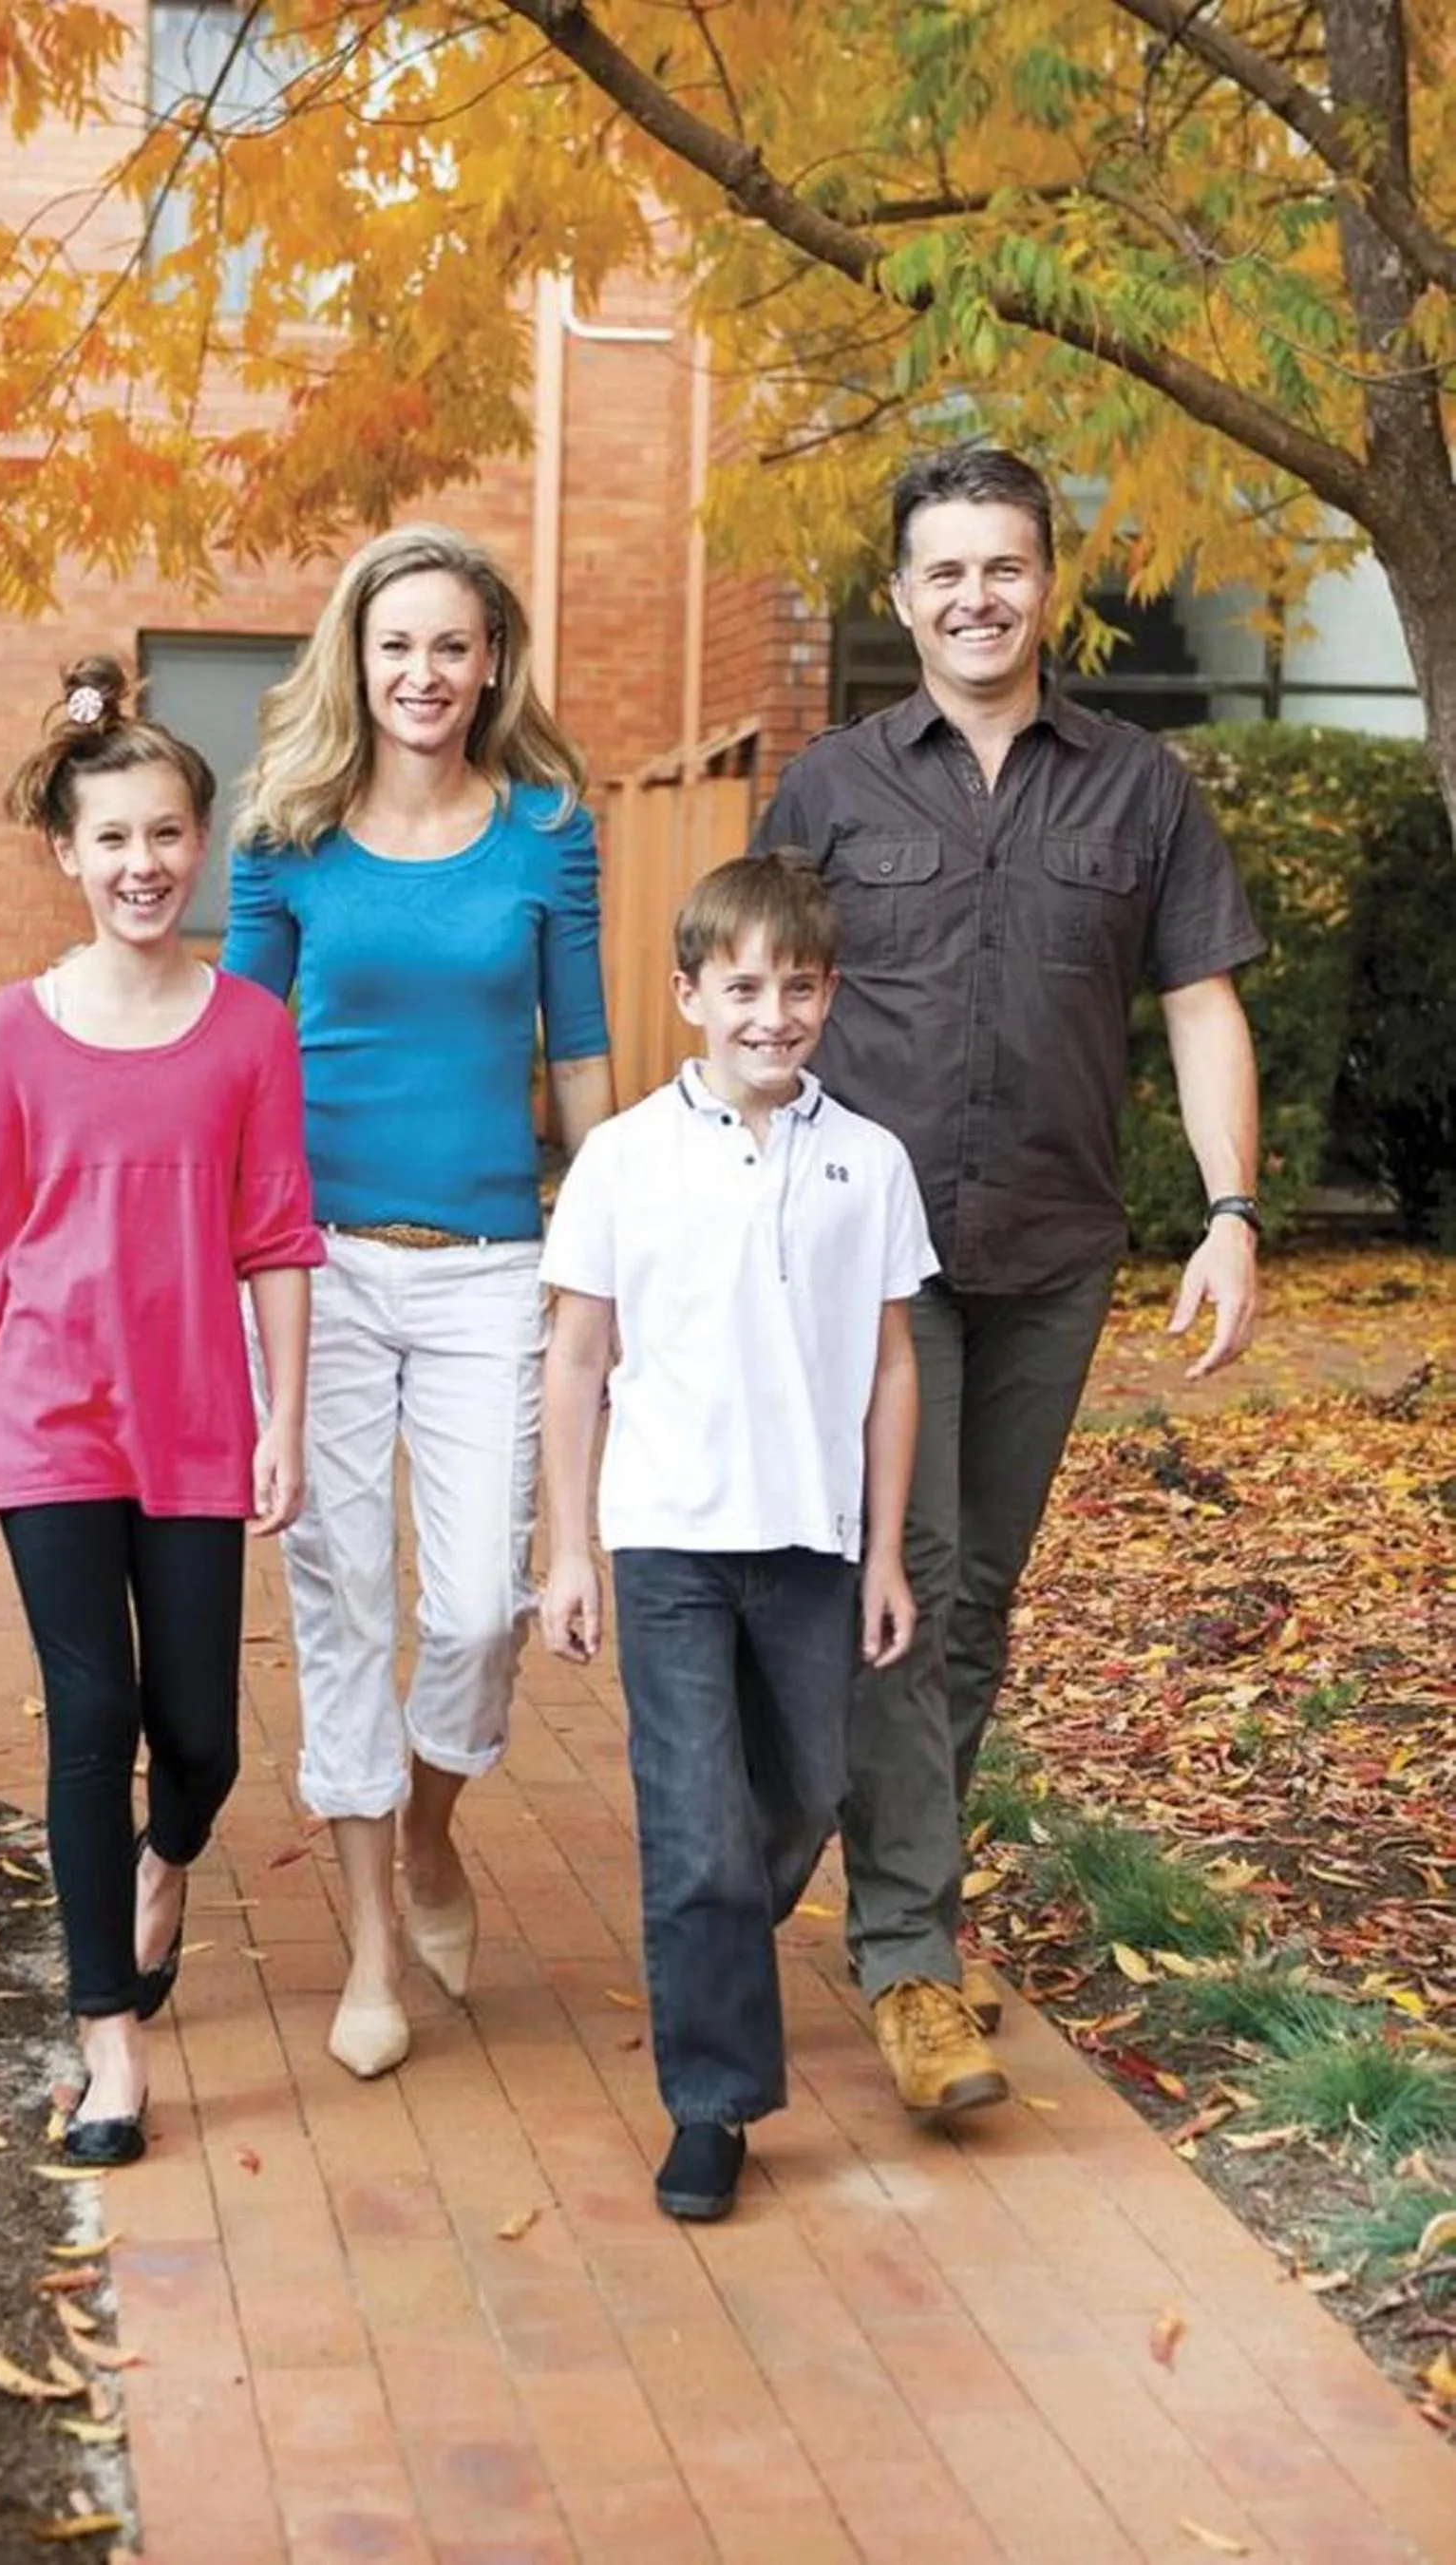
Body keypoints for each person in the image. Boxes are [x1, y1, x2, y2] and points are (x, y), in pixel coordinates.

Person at [751, 445, 1265, 2118]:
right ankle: (911, 1963)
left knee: (962, 1610)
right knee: (911, 1580)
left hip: (1052, 1246)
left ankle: (804, 1845)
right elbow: (757, 1010)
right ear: (899, 597)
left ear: (1050, 585)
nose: (975, 597)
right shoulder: (828, 790)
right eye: (942, 571)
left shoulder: (1139, 791)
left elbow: (1197, 1001)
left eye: (1004, 567)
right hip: (870, 1266)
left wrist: (1234, 1209)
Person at [224, 525, 615, 2080]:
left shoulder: (544, 834)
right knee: (344, 1609)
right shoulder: (285, 832)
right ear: (355, 657)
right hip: (312, 1267)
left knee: (470, 1610)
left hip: (490, 1269)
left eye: (451, 647)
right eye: (397, 647)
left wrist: (608, 1255)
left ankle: (435, 1829)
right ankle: (375, 1946)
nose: (423, 675)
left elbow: (579, 1055)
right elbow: (231, 1053)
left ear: (492, 662)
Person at [0, 657, 322, 2166]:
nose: (142, 865)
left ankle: (167, 1863)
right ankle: (110, 2048)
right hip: (48, 1417)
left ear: (199, 843)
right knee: (92, 1718)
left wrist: (285, 1414)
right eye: (113, 840)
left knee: (201, 1741)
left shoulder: (247, 1033)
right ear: (67, 855)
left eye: (166, 835)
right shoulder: (16, 1036)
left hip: (197, 1422)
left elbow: (277, 1234)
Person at [538, 854, 934, 2219]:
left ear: (829, 994)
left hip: (814, 1549)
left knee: (807, 1798)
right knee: (700, 1839)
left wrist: (884, 1553)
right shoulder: (625, 1158)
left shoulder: (866, 1161)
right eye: (744, 987)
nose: (773, 1014)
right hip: (668, 1546)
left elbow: (890, 1367)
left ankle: (704, 1948)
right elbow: (576, 1357)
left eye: (800, 987)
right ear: (691, 994)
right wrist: (565, 1549)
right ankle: (711, 2107)